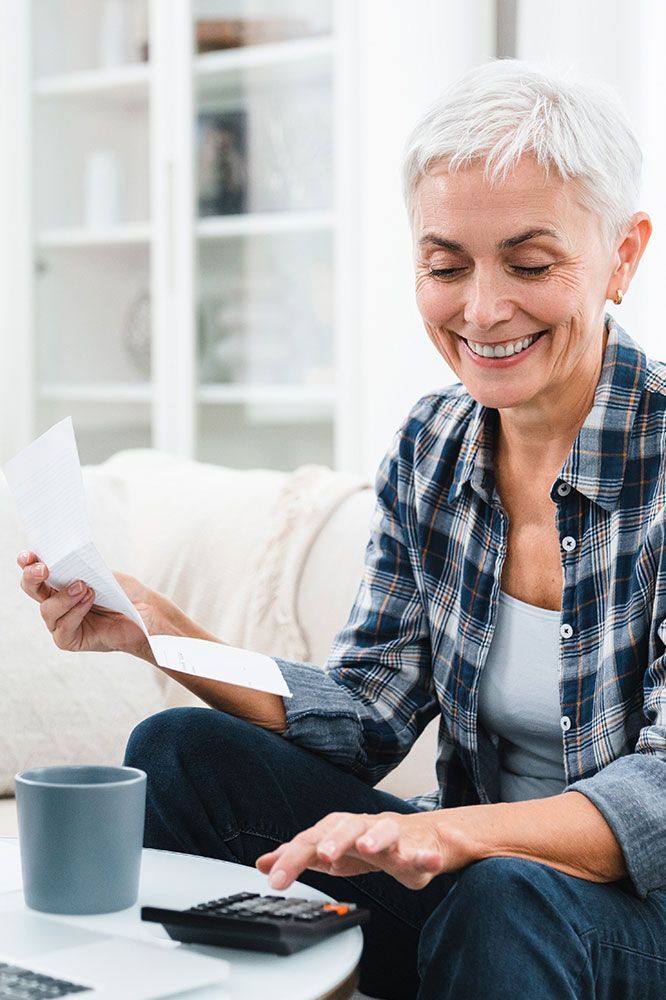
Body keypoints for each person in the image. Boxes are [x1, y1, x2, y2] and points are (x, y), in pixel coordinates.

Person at [17, 59, 666, 999]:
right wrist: (156, 627)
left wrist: (443, 833)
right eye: (446, 265)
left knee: (504, 899)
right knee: (177, 754)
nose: (482, 309)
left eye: (531, 265)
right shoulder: (433, 445)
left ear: (623, 255)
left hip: (627, 921)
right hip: (469, 885)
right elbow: (366, 715)